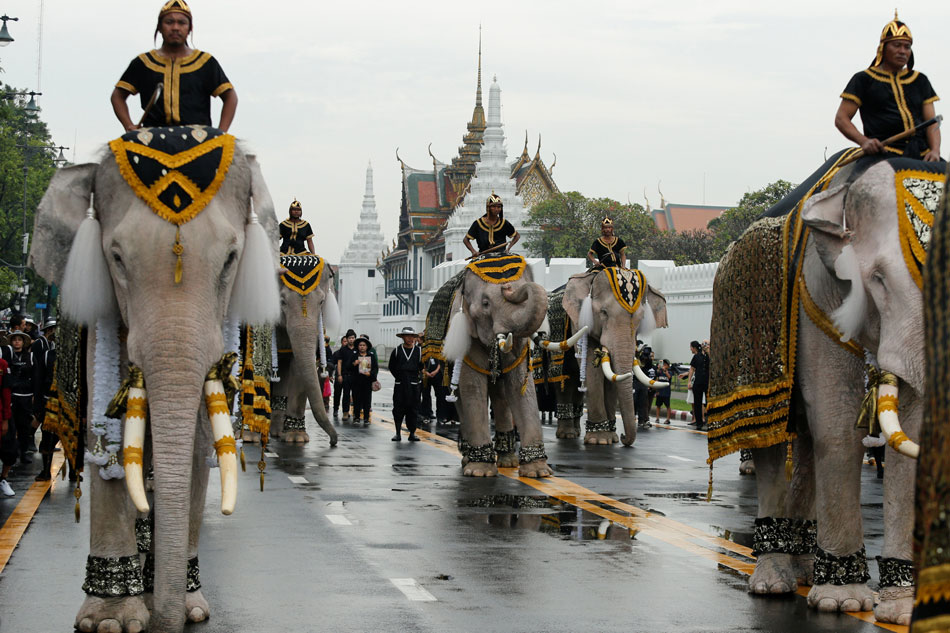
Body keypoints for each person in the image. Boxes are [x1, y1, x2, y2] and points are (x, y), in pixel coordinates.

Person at [111, 0, 238, 132]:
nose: (175, 28)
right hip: (154, 137)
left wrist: (221, 132)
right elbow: (117, 96)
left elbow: (230, 96)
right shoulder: (143, 63)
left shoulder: (206, 62)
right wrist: (129, 126)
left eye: (182, 23)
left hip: (198, 139)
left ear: (189, 28)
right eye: (169, 22)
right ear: (159, 27)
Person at [835, 12, 941, 161]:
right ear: (883, 48)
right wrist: (864, 141)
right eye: (897, 45)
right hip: (883, 153)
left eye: (907, 47)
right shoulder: (864, 79)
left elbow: (932, 122)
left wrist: (935, 150)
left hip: (922, 155)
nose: (902, 51)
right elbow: (841, 118)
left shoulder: (920, 80)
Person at [6, 331, 41, 467]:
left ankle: (24, 452)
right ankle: (12, 453)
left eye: (19, 340)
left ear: (23, 342)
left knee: (24, 426)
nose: (17, 342)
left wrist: (34, 395)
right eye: (14, 340)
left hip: (26, 396)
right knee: (10, 426)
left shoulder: (31, 357)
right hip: (12, 395)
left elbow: (36, 377)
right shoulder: (8, 356)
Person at [388, 327, 423, 442]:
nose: (410, 339)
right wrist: (399, 377)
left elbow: (422, 366)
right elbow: (391, 366)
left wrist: (418, 378)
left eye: (412, 336)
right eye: (407, 336)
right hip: (401, 384)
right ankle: (398, 432)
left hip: (413, 384)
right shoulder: (397, 351)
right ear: (403, 337)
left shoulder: (419, 351)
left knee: (413, 409)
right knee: (398, 408)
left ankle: (412, 433)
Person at [463, 193, 520, 257]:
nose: (496, 209)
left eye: (499, 207)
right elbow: (465, 240)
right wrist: (473, 251)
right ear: (488, 207)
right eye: (493, 206)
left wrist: (508, 249)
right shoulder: (478, 223)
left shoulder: (504, 223)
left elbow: (517, 235)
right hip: (483, 256)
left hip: (501, 256)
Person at [680, 340, 709, 430]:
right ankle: (699, 422)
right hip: (698, 382)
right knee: (697, 402)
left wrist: (708, 351)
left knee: (708, 402)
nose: (705, 346)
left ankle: (708, 420)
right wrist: (689, 381)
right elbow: (692, 369)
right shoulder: (696, 357)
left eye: (706, 344)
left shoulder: (710, 355)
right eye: (703, 344)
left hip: (708, 382)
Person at [350, 337, 377, 424]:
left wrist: (371, 374)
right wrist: (354, 364)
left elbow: (375, 368)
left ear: (367, 346)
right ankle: (356, 417)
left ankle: (366, 418)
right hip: (356, 381)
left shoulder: (371, 356)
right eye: (360, 345)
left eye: (364, 345)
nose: (362, 347)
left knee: (367, 400)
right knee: (356, 399)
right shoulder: (354, 356)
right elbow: (348, 367)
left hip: (367, 381)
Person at [335, 330, 357, 420]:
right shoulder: (343, 350)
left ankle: (356, 413)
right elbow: (339, 362)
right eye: (350, 338)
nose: (351, 340)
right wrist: (339, 375)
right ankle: (345, 412)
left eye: (353, 338)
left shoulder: (357, 349)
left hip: (356, 376)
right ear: (347, 339)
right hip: (345, 375)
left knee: (356, 395)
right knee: (346, 395)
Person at [633, 345, 655, 429]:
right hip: (635, 381)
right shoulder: (634, 358)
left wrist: (648, 359)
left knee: (643, 402)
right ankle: (632, 417)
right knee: (634, 400)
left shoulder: (647, 360)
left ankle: (642, 420)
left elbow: (649, 367)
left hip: (643, 382)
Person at [0, 352, 12, 496]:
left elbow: (6, 393)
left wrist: (6, 419)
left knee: (10, 451)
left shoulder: (2, 364)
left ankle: (3, 479)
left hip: (1, 413)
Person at [331, 335, 346, 419]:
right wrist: (330, 375)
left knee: (346, 395)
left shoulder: (351, 352)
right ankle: (335, 409)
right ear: (341, 342)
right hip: (338, 376)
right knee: (337, 394)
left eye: (347, 341)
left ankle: (345, 411)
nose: (346, 343)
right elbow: (332, 365)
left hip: (347, 376)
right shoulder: (337, 353)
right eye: (344, 341)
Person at [654, 360, 673, 424]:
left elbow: (669, 377)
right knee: (658, 405)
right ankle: (657, 418)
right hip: (660, 391)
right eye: (663, 364)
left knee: (667, 406)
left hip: (666, 392)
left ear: (668, 366)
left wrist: (665, 371)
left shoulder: (669, 372)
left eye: (665, 365)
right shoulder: (660, 372)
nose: (664, 366)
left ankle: (668, 419)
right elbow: (656, 377)